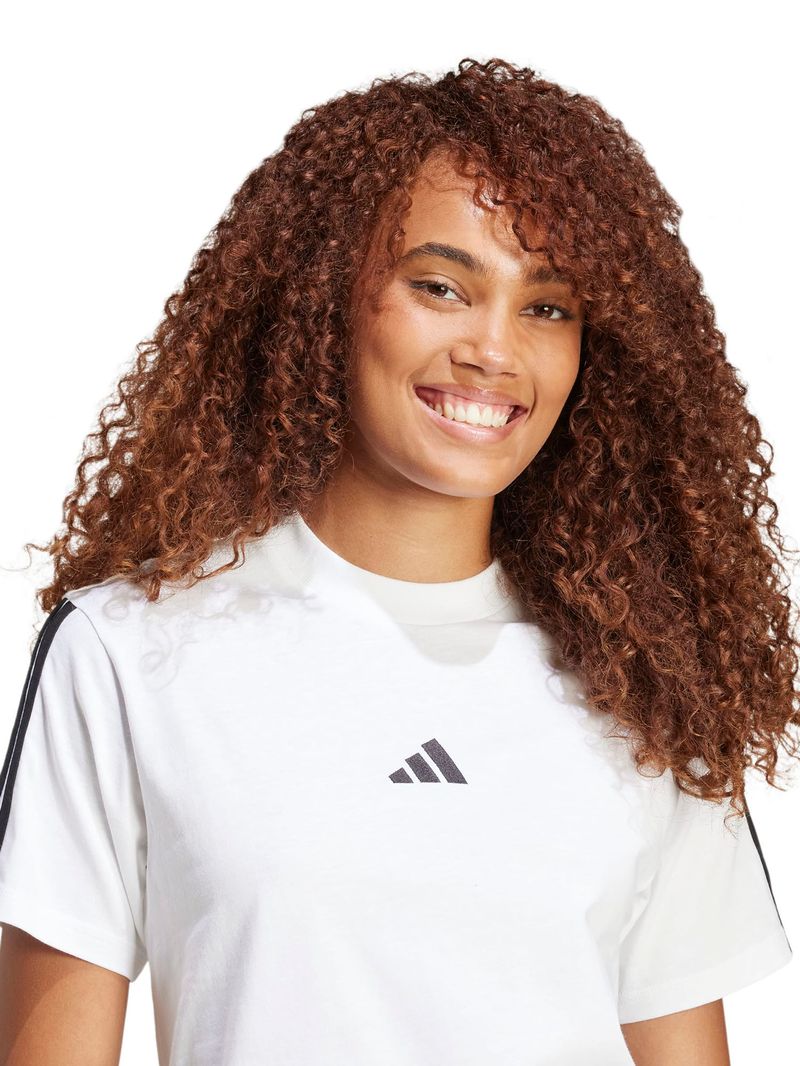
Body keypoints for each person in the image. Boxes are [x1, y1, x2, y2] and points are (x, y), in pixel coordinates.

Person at [0, 56, 796, 1066]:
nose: (494, 350)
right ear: (326, 298)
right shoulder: (131, 649)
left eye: (547, 307)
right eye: (439, 286)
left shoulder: (644, 676)